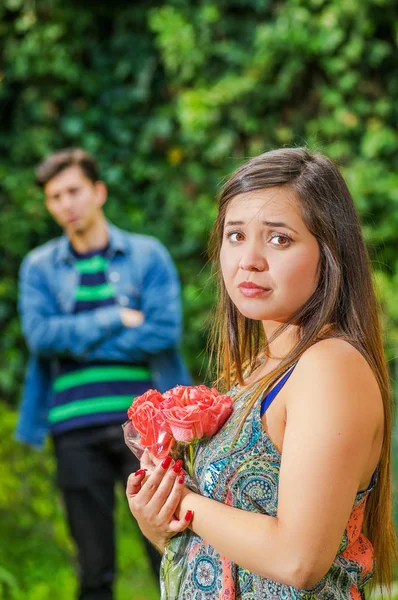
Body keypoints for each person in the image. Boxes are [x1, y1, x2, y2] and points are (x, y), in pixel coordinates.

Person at [126, 147, 397, 599]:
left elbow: (299, 559)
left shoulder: (330, 366)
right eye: (235, 236)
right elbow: (225, 551)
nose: (249, 259)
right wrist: (160, 519)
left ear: (329, 254)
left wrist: (186, 502)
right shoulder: (258, 368)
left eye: (279, 239)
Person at [15, 147, 191, 600]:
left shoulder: (147, 256)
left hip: (148, 427)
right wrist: (116, 317)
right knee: (94, 567)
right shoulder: (38, 268)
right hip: (73, 428)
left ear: (98, 191)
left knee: (172, 549)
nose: (65, 203)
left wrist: (76, 338)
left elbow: (162, 332)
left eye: (73, 190)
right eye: (54, 197)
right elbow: (41, 337)